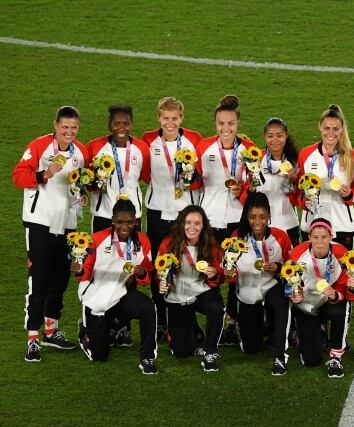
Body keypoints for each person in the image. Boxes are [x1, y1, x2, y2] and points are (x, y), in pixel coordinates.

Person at [13, 105, 90, 361]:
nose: (69, 132)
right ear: (55, 125)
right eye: (65, 127)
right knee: (39, 281)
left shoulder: (81, 153)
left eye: (74, 128)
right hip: (39, 223)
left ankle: (51, 329)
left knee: (59, 279)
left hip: (68, 226)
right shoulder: (38, 147)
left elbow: (81, 183)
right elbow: (18, 176)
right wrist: (43, 174)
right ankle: (33, 337)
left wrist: (83, 196)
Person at [196, 95, 256, 346]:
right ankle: (210, 320)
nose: (226, 129)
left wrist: (242, 190)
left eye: (230, 124)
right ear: (215, 124)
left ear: (238, 123)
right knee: (208, 269)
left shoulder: (250, 150)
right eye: (221, 124)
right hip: (209, 219)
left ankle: (232, 322)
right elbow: (194, 181)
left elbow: (255, 187)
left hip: (236, 220)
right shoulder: (202, 147)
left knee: (235, 271)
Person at [72, 200, 158, 374]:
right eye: (119, 222)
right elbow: (85, 272)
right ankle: (85, 332)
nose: (124, 226)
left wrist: (141, 274)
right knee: (99, 356)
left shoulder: (142, 240)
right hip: (97, 297)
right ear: (112, 220)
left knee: (148, 308)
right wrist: (80, 270)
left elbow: (146, 275)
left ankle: (148, 356)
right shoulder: (97, 239)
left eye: (129, 222)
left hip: (121, 293)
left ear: (135, 221)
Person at [142, 97, 203, 340]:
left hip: (186, 214)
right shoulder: (148, 140)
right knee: (161, 264)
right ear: (159, 118)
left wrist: (191, 179)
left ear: (181, 118)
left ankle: (190, 320)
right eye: (165, 118)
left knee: (187, 264)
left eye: (174, 118)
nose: (170, 122)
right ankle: (160, 320)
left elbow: (201, 177)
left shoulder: (194, 140)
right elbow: (145, 173)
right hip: (157, 212)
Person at [224, 193, 293, 375]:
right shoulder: (236, 237)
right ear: (247, 216)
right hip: (247, 294)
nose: (258, 222)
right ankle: (258, 326)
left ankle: (280, 355)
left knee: (281, 300)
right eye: (253, 217)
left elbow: (293, 268)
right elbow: (229, 274)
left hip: (272, 288)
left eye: (262, 217)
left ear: (269, 215)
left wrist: (278, 267)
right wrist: (229, 274)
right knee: (250, 348)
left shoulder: (281, 237)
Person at [158, 205, 225, 372]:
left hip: (201, 292)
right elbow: (159, 272)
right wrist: (162, 281)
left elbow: (220, 275)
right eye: (187, 222)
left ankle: (210, 351)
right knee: (181, 351)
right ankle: (193, 328)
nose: (192, 227)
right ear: (181, 223)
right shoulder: (168, 244)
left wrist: (214, 274)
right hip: (177, 296)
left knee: (216, 308)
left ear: (203, 226)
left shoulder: (211, 246)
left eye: (197, 223)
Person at [287, 218, 354, 378]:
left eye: (324, 237)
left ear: (331, 237)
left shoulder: (342, 254)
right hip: (307, 306)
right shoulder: (297, 253)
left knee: (340, 309)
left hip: (328, 302)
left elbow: (348, 287)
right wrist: (293, 295)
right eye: (315, 237)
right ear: (309, 237)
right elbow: (287, 281)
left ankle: (336, 355)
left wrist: (336, 294)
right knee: (311, 360)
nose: (319, 242)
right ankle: (313, 331)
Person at [297, 105, 354, 250]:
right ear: (320, 126)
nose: (331, 133)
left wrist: (349, 195)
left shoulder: (353, 157)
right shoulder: (306, 155)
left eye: (336, 129)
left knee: (345, 270)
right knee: (312, 269)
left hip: (342, 225)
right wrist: (304, 201)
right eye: (327, 128)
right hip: (312, 225)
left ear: (342, 129)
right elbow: (299, 188)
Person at [86, 105, 150, 233]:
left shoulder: (142, 148)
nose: (121, 128)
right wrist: (96, 183)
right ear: (109, 124)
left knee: (132, 252)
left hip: (132, 215)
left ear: (131, 124)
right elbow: (87, 181)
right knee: (100, 252)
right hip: (103, 214)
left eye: (126, 123)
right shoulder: (94, 147)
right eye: (116, 123)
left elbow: (146, 176)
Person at [244, 117, 301, 246]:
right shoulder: (255, 159)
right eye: (270, 136)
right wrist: (252, 188)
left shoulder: (294, 161)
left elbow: (299, 198)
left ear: (286, 136)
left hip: (288, 222)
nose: (275, 140)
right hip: (261, 223)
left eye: (279, 136)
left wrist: (292, 182)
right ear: (265, 136)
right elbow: (245, 196)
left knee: (290, 264)